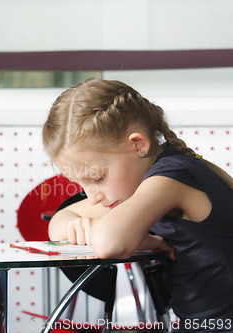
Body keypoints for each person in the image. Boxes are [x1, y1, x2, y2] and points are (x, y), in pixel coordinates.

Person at [42, 79, 233, 330]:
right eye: (81, 184)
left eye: (98, 178)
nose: (93, 196)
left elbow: (110, 243)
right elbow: (59, 222)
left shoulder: (170, 179)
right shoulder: (141, 183)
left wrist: (139, 239)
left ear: (138, 145)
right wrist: (147, 239)